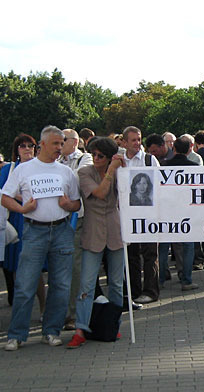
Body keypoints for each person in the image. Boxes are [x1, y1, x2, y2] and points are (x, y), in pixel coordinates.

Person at [3, 125, 81, 351]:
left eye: (62, 143)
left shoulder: (66, 172)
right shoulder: (24, 170)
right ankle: (16, 334)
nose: (60, 147)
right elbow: (5, 197)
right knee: (26, 284)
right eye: (56, 143)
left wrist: (69, 205)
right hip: (34, 231)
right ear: (43, 144)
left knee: (60, 284)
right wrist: (22, 209)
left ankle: (52, 330)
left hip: (61, 231)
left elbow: (76, 203)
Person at [67, 137, 125, 348]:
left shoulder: (120, 172)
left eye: (101, 156)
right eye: (94, 154)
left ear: (109, 157)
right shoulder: (85, 172)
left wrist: (122, 169)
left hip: (115, 230)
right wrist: (111, 170)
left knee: (117, 284)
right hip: (92, 232)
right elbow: (100, 193)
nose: (96, 159)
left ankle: (113, 324)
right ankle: (81, 328)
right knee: (87, 284)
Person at [0, 134, 47, 313]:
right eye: (22, 146)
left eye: (31, 145)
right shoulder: (9, 169)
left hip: (37, 219)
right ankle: (21, 312)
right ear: (16, 150)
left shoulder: (41, 168)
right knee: (17, 269)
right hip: (16, 219)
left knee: (35, 271)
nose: (27, 148)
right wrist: (22, 197)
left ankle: (43, 308)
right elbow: (3, 193)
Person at [58, 128, 93, 331]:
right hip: (58, 219)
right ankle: (61, 312)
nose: (59, 145)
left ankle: (73, 314)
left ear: (74, 141)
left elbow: (77, 179)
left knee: (76, 267)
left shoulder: (85, 158)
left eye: (62, 141)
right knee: (59, 268)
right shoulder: (57, 161)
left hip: (77, 219)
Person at [122, 126, 160, 305]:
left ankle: (151, 291)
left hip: (148, 214)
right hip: (127, 215)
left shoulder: (149, 159)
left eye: (139, 139)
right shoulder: (119, 160)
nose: (137, 143)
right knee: (131, 255)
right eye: (133, 140)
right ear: (124, 142)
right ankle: (133, 291)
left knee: (150, 253)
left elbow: (159, 185)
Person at [161, 136, 199, 291]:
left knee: (163, 247)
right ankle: (186, 280)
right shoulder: (194, 167)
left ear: (173, 149)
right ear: (189, 149)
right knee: (188, 246)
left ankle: (160, 279)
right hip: (186, 212)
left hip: (166, 211)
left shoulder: (163, 165)